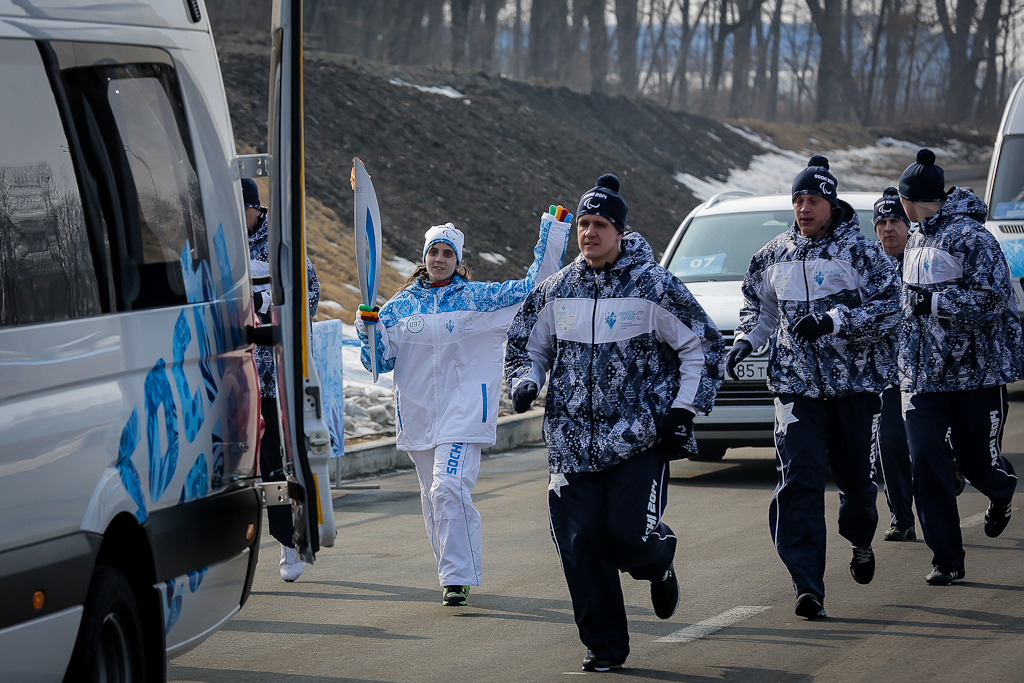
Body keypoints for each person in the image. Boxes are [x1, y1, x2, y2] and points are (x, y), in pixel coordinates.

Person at [504, 174, 724, 672]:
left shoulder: (653, 287)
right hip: (570, 445)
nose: (589, 233)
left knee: (631, 539)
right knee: (581, 547)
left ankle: (659, 561)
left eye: (600, 224)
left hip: (637, 440)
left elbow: (703, 346)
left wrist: (682, 411)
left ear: (620, 231)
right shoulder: (557, 290)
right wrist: (524, 381)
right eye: (583, 224)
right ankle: (604, 648)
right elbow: (526, 347)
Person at [355, 211, 570, 607]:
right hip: (418, 416)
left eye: (447, 254)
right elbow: (378, 362)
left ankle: (458, 578)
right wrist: (367, 328)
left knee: (448, 487)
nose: (439, 259)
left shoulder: (479, 300)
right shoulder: (399, 308)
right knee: (432, 497)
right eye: (434, 252)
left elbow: (533, 289)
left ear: (457, 260)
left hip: (464, 412)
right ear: (424, 257)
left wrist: (553, 231)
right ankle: (449, 573)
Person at [728, 156, 901, 619]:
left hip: (854, 388)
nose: (805, 208)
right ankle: (807, 584)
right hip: (795, 388)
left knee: (858, 490)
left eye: (814, 199)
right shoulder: (772, 254)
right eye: (798, 199)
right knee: (798, 480)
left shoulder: (861, 254)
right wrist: (747, 340)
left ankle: (861, 539)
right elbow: (758, 308)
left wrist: (834, 321)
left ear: (831, 202)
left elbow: (892, 310)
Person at [897, 149, 1023, 585]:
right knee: (928, 463)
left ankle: (1001, 489)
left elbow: (993, 300)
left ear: (911, 199)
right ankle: (947, 559)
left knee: (977, 465)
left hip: (973, 374)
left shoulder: (973, 237)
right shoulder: (917, 237)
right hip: (921, 380)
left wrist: (934, 301)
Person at [244, 177, 321, 582]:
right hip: (237, 374)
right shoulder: (222, 245)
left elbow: (310, 289)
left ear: (257, 208)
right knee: (248, 463)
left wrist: (280, 319)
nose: (240, 217)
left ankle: (289, 543)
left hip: (278, 374)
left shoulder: (280, 241)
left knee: (279, 461)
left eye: (245, 209)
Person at [872, 188, 918, 542]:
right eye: (882, 223)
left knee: (930, 450)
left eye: (895, 221)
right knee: (889, 445)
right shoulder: (869, 266)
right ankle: (901, 518)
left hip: (929, 375)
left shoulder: (925, 257)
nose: (889, 229)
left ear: (907, 225)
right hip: (888, 376)